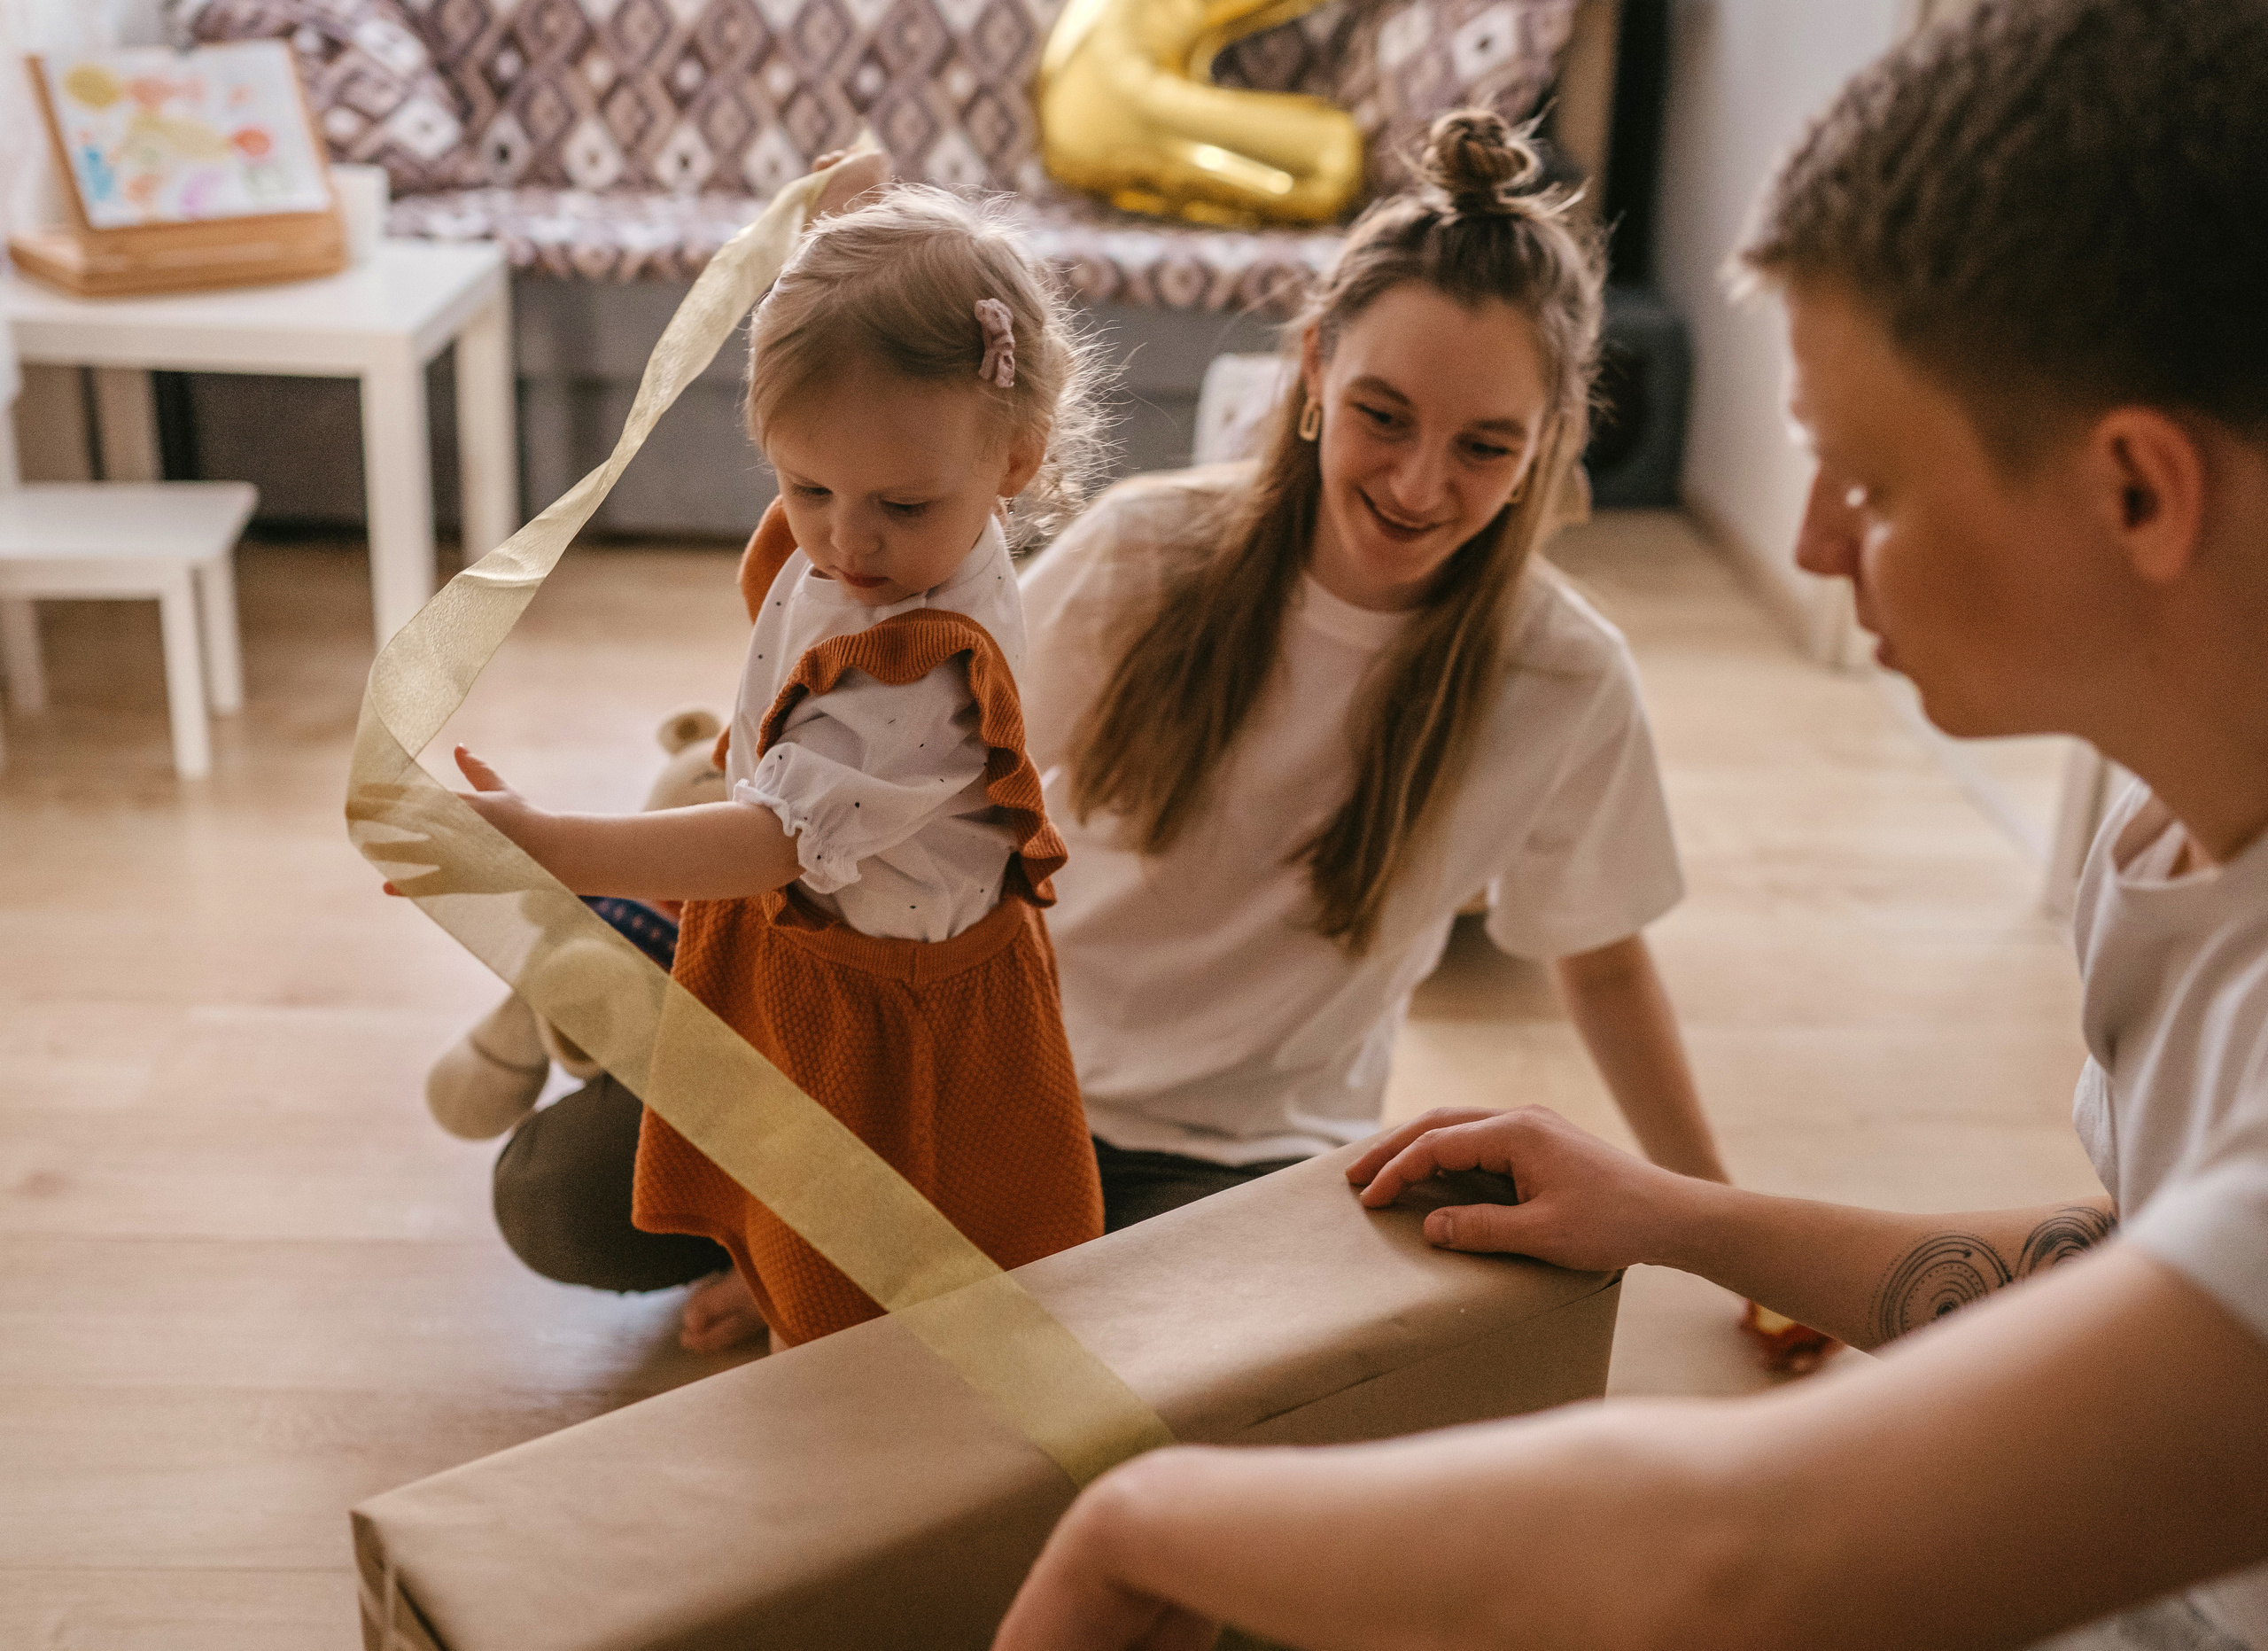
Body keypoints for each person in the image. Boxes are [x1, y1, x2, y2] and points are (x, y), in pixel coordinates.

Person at [990, 2, 2268, 1647]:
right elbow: (2145, 1257)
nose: (1807, 548)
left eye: (1866, 481)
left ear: (2139, 493)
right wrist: (1681, 1215)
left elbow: (1740, 1553)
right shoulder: (2171, 839)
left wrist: (1144, 1524)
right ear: (1314, 378)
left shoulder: (1557, 675)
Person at [490, 110, 1747, 1356]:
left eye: (1485, 446)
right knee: (555, 1199)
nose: (1420, 483)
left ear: (1546, 450)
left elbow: (1605, 965)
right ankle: (870, 1280)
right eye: (1383, 414)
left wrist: (1726, 1238)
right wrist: (813, 1211)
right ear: (1312, 371)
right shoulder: (1150, 555)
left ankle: (914, 1302)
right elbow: (877, 798)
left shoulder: (1566, 676)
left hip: (1231, 1154)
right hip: (979, 1069)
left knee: (1098, 1369)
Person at [440, 179, 1114, 1348]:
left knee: (877, 1243)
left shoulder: (921, 666)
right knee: (787, 1198)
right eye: (807, 488)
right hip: (812, 943)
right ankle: (780, 1279)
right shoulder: (881, 539)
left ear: (1016, 459)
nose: (846, 540)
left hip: (888, 1006)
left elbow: (769, 841)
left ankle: (851, 1416)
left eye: (898, 503)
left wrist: (558, 847)